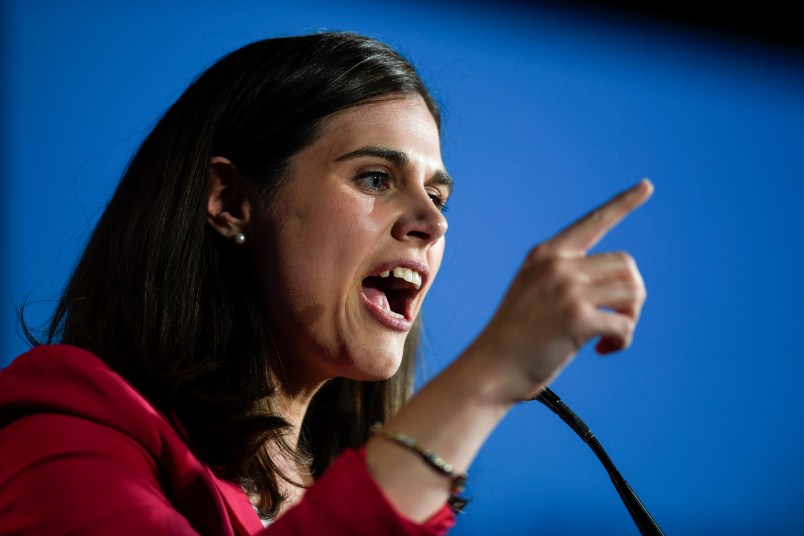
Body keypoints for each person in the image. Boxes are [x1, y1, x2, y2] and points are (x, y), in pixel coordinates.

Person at [0, 31, 651, 535]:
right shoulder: (68, 420)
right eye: (376, 179)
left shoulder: (371, 499)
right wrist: (484, 381)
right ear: (230, 200)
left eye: (438, 196)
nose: (431, 222)